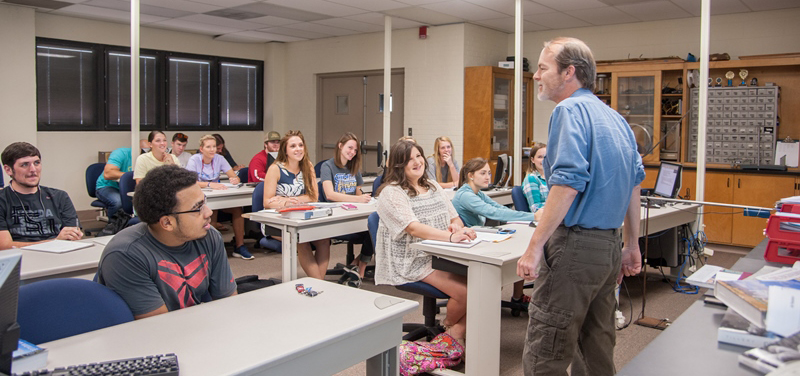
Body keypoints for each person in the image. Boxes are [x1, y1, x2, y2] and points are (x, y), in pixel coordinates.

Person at [516, 37, 644, 376]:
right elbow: (634, 185)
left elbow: (568, 184)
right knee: (596, 346)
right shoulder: (616, 119)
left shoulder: (568, 111)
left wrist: (534, 247)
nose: (536, 76)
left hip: (575, 246)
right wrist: (631, 245)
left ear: (569, 72)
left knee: (548, 347)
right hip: (608, 247)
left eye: (543, 68)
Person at [96, 165, 237, 319]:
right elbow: (158, 326)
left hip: (191, 330)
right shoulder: (126, 255)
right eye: (197, 208)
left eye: (204, 202)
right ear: (167, 223)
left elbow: (228, 303)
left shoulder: (209, 236)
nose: (209, 212)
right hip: (147, 337)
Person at [375, 140, 474, 346]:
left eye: (419, 156)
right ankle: (448, 328)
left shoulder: (433, 185)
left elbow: (455, 217)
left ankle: (451, 332)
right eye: (409, 159)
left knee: (484, 282)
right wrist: (449, 237)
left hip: (442, 254)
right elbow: (413, 228)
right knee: (466, 293)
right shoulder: (391, 192)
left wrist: (457, 227)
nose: (417, 162)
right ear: (398, 165)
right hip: (412, 260)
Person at [451, 157, 536, 305]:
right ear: (471, 175)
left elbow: (499, 208)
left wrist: (528, 217)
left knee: (518, 250)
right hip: (468, 245)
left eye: (489, 173)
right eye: (483, 173)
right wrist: (533, 216)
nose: (487, 177)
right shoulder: (466, 195)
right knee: (507, 257)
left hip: (477, 239)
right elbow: (493, 213)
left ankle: (517, 296)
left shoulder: (477, 192)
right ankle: (486, 304)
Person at [262, 130, 331, 279]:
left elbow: (314, 196)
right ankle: (320, 283)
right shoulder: (275, 169)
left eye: (300, 145)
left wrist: (289, 199)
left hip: (302, 215)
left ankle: (319, 281)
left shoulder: (308, 166)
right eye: (293, 146)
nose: (298, 149)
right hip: (278, 219)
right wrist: (285, 202)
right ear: (285, 150)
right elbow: (267, 202)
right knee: (302, 240)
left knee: (324, 240)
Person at [0, 142, 83, 249]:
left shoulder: (60, 196)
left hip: (60, 255)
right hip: (22, 258)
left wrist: (72, 236)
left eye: (37, 163)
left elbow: (72, 235)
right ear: (8, 170)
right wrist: (55, 242)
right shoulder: (3, 199)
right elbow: (4, 246)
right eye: (24, 164)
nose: (33, 170)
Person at [186, 135, 253, 260]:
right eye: (208, 147)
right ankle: (210, 248)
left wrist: (234, 179)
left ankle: (240, 246)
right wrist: (210, 184)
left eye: (214, 147)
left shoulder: (220, 158)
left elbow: (234, 176)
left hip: (217, 195)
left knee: (237, 209)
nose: (212, 150)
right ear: (201, 149)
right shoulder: (194, 160)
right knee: (211, 211)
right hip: (199, 198)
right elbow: (191, 182)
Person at [320, 132, 372, 286]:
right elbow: (330, 195)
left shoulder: (353, 167)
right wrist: (358, 199)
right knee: (373, 229)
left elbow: (358, 192)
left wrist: (365, 198)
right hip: (337, 218)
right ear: (340, 146)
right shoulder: (327, 166)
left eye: (355, 150)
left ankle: (357, 264)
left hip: (353, 213)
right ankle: (359, 266)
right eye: (350, 148)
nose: (352, 152)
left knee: (377, 226)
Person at [95, 147, 133, 217]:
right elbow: (108, 174)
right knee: (118, 202)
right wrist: (130, 175)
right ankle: (114, 226)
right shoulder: (121, 153)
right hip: (109, 186)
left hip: (130, 188)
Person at [521, 142, 548, 221]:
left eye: (546, 157)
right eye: (540, 157)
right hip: (543, 220)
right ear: (532, 160)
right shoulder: (531, 179)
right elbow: (535, 208)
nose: (543, 160)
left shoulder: (553, 178)